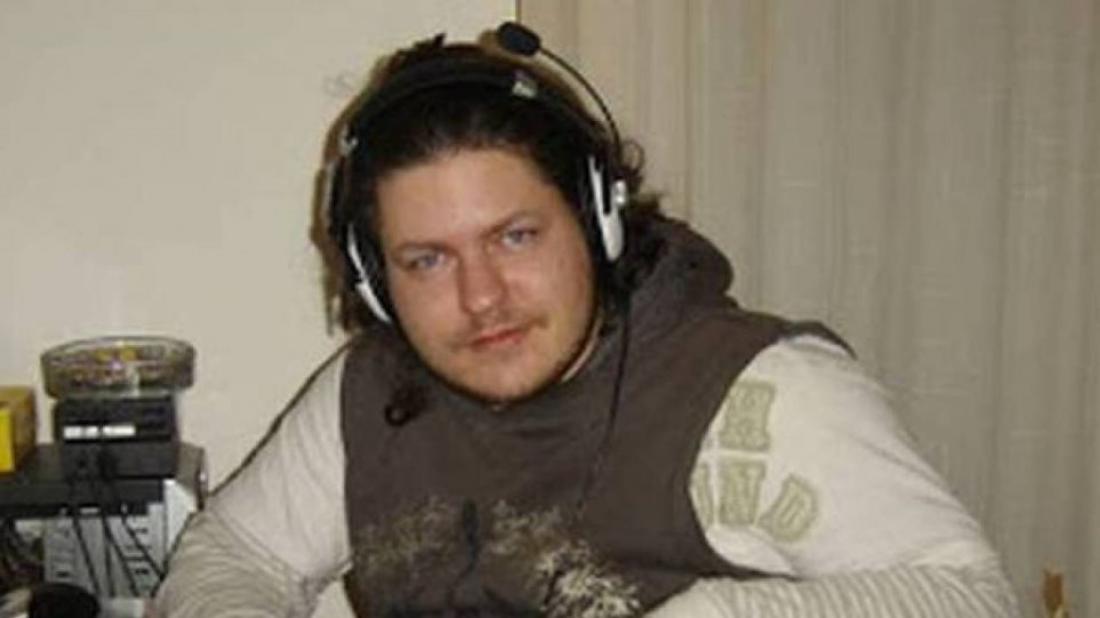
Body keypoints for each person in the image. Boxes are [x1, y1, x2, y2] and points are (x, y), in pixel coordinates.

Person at [154, 23, 1020, 617]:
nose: (482, 297)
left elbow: (971, 597)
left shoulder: (761, 395)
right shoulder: (375, 391)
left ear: (599, 222)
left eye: (515, 236)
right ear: (378, 283)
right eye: (427, 260)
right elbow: (231, 554)